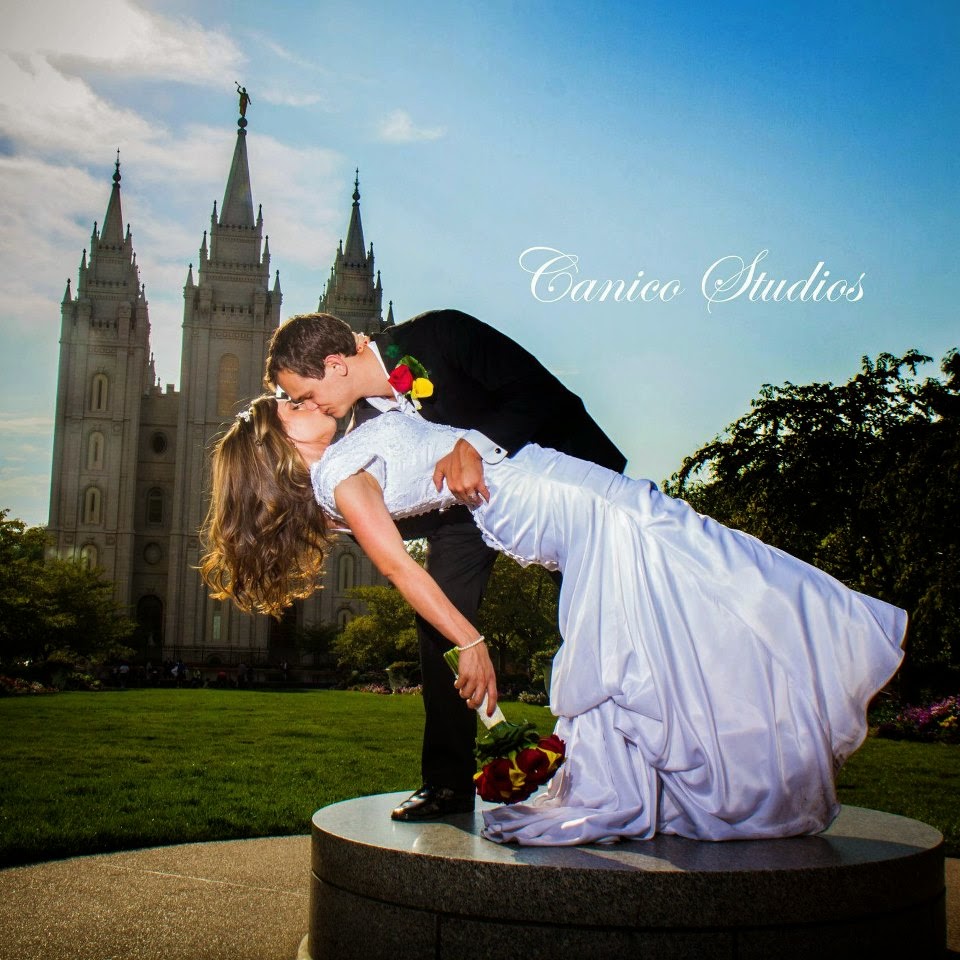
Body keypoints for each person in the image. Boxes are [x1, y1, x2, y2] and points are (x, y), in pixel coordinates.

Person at [200, 395, 907, 846]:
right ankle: (824, 652)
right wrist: (469, 641)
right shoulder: (337, 479)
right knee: (688, 571)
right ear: (278, 446)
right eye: (288, 406)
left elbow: (407, 401)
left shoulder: (350, 439)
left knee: (690, 580)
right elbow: (400, 569)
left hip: (547, 482)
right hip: (550, 500)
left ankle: (735, 749)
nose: (301, 399)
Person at [264, 310, 627, 822]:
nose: (306, 405)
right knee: (439, 625)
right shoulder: (363, 421)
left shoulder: (441, 334)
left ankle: (627, 749)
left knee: (605, 616)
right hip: (459, 518)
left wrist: (473, 444)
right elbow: (409, 494)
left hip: (558, 482)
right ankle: (446, 784)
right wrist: (347, 520)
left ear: (333, 364)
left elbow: (540, 394)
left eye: (304, 394)